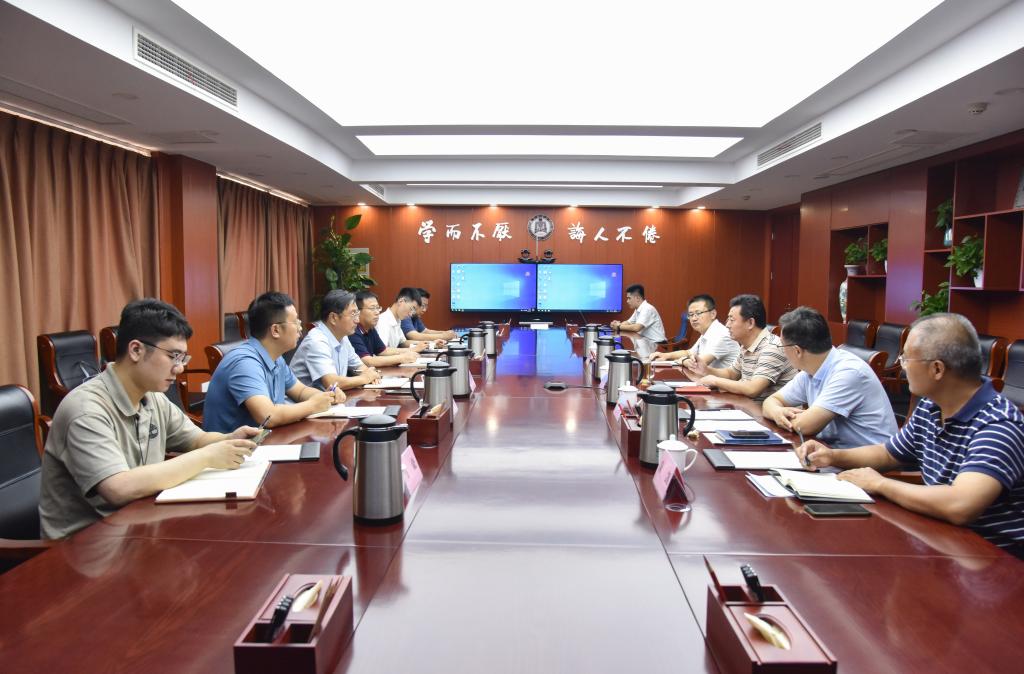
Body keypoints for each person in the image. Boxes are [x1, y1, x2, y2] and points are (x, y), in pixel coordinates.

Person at [797, 313, 1024, 557]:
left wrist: (880, 484)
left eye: (906, 358)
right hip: (939, 540)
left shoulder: (998, 425)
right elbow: (888, 454)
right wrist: (832, 456)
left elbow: (961, 505)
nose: (902, 366)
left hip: (993, 558)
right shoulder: (931, 407)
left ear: (937, 369)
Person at [38, 299, 258, 539]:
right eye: (173, 356)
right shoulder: (86, 409)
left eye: (183, 359)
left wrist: (230, 439)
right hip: (87, 544)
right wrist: (206, 457)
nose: (180, 368)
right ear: (136, 350)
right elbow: (118, 488)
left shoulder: (152, 397)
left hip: (139, 525)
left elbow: (196, 439)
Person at [203, 292, 343, 433]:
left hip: (266, 439)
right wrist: (313, 405)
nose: (300, 328)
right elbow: (267, 416)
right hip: (235, 445)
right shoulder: (245, 362)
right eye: (295, 322)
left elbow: (301, 391)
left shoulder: (276, 358)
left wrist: (326, 397)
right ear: (275, 330)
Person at [763, 306, 897, 447]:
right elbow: (771, 401)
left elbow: (804, 426)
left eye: (782, 346)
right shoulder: (810, 371)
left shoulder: (848, 373)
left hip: (869, 458)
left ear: (797, 351)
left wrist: (782, 417)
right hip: (833, 451)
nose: (783, 352)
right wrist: (777, 412)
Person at [686, 294, 796, 402]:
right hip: (748, 407)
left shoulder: (772, 347)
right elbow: (731, 374)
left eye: (731, 320)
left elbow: (753, 389)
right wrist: (706, 370)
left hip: (771, 412)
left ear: (750, 323)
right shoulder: (746, 345)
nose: (727, 325)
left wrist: (715, 381)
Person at [289, 289, 382, 390]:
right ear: (333, 318)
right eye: (353, 314)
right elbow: (331, 383)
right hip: (306, 399)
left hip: (333, 397)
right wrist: (365, 378)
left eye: (357, 313)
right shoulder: (317, 341)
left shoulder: (343, 337)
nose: (357, 320)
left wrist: (370, 375)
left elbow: (359, 367)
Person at [650, 294, 739, 369]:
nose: (694, 318)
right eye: (691, 314)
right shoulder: (707, 332)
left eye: (698, 313)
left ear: (713, 314)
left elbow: (697, 364)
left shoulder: (721, 335)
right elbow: (689, 353)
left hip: (723, 384)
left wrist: (682, 360)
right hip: (707, 381)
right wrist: (665, 356)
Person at [348, 290, 423, 367]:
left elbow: (383, 350)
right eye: (372, 308)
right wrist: (401, 358)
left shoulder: (370, 328)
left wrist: (410, 351)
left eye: (378, 308)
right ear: (358, 311)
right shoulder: (353, 331)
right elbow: (367, 361)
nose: (377, 312)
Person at [609, 284, 666, 359]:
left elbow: (637, 328)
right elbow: (628, 322)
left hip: (658, 346)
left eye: (629, 298)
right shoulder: (638, 309)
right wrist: (617, 324)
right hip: (646, 342)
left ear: (638, 298)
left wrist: (619, 326)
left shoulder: (647, 309)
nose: (627, 301)